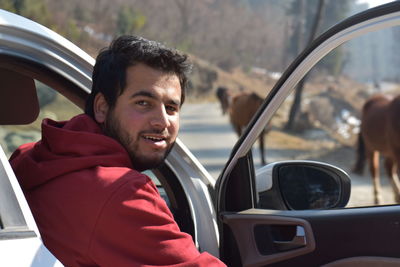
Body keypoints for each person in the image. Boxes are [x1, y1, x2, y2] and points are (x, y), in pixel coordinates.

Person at [10, 35, 226, 266]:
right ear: (102, 107)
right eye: (143, 103)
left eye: (171, 107)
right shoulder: (122, 192)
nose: (162, 121)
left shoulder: (30, 158)